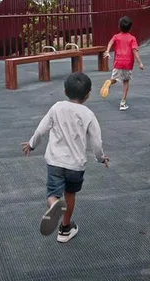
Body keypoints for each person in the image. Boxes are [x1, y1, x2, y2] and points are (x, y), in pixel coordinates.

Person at [21, 72, 108, 243]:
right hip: (75, 165)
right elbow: (97, 143)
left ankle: (53, 203)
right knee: (70, 194)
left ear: (65, 91)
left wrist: (31, 144)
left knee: (53, 193)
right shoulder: (88, 114)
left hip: (55, 161)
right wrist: (101, 158)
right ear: (88, 94)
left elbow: (41, 130)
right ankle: (65, 229)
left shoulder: (57, 107)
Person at [101, 15, 144, 110]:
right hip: (127, 63)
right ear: (130, 27)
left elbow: (110, 42)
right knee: (126, 81)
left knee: (115, 79)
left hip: (118, 62)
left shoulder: (116, 37)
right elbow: (135, 51)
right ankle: (123, 103)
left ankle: (109, 82)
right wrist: (140, 63)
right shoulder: (132, 38)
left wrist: (107, 51)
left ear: (119, 26)